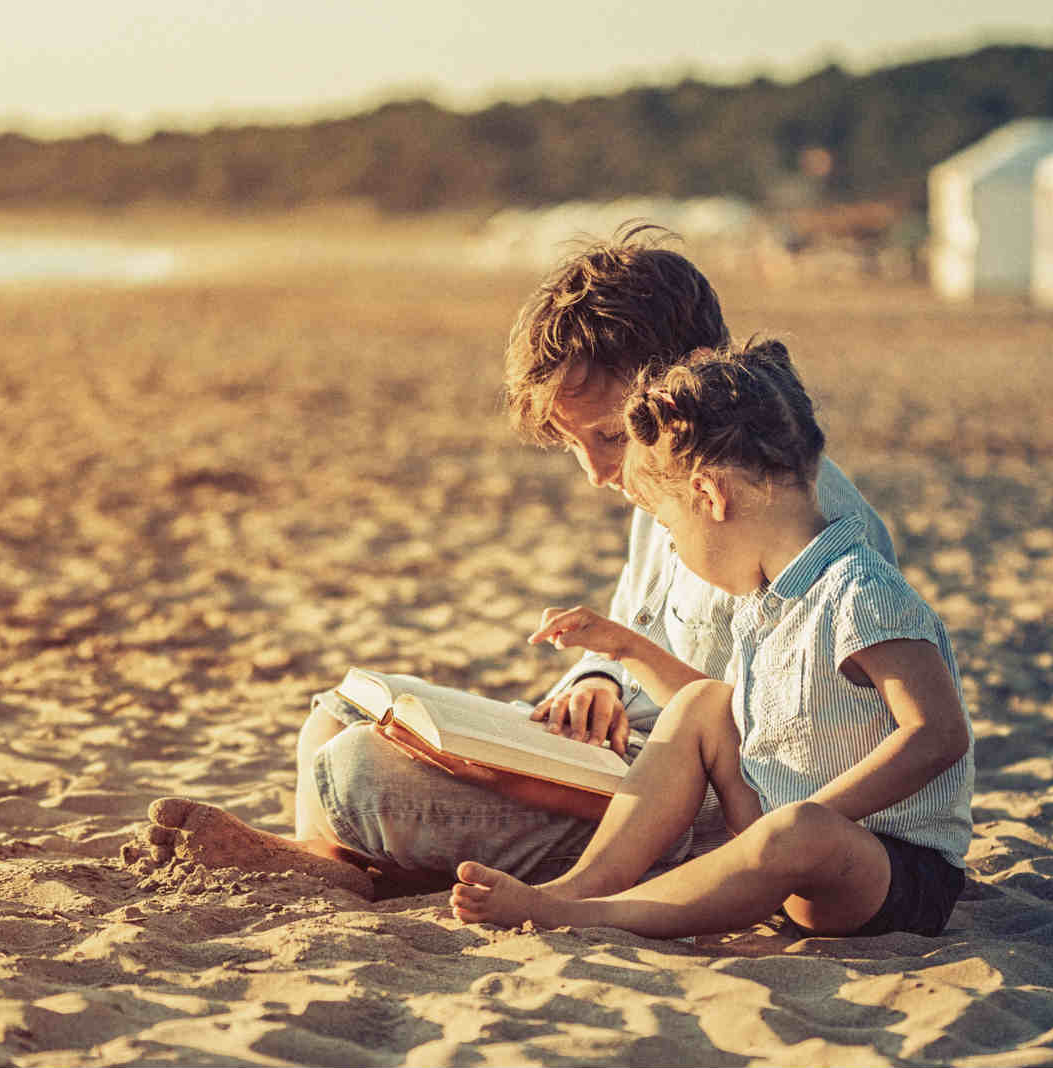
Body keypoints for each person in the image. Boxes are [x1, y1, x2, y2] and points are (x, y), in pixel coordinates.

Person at [143, 225, 895, 898]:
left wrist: (543, 771)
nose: (597, 474)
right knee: (338, 711)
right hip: (619, 750)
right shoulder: (664, 483)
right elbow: (640, 626)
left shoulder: (794, 522)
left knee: (355, 771)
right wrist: (597, 677)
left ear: (690, 377)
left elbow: (764, 753)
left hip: (678, 806)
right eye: (576, 447)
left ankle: (338, 864)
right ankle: (338, 859)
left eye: (608, 437)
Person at [450, 342, 973, 939]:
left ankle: (586, 915)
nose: (672, 547)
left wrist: (817, 815)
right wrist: (626, 647)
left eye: (670, 528)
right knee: (704, 704)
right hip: (777, 836)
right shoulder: (768, 599)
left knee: (796, 831)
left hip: (885, 867)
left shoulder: (858, 591)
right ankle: (581, 884)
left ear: (710, 496)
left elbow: (938, 732)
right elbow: (737, 720)